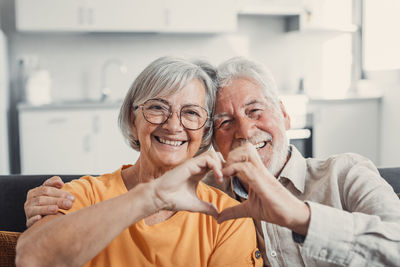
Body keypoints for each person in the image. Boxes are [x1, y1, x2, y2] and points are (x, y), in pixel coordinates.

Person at [24, 57, 400, 267]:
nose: (245, 130)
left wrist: (298, 215)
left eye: (256, 111)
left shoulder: (344, 173)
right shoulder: (213, 198)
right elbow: (33, 257)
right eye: (225, 121)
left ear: (285, 115)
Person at [16, 56, 263, 267]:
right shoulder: (84, 195)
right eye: (157, 107)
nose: (173, 125)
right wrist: (150, 196)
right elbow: (31, 258)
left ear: (204, 131)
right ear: (133, 120)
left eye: (190, 113)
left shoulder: (228, 218)